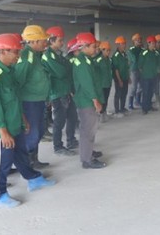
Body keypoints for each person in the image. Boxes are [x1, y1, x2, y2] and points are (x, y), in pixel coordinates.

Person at [0, 33, 56, 207]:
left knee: (21, 154)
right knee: (1, 161)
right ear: (3, 51)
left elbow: (14, 99)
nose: (18, 55)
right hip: (2, 129)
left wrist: (23, 119)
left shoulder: (9, 71)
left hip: (15, 123)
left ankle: (33, 179)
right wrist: (2, 131)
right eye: (15, 51)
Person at [14, 25, 51, 168]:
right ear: (34, 41)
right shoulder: (27, 56)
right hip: (29, 102)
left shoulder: (36, 55)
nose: (45, 42)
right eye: (43, 40)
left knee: (39, 131)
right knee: (32, 133)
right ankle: (27, 164)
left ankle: (33, 160)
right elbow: (19, 80)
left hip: (38, 100)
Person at [71, 32, 106, 169]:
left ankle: (88, 152)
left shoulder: (86, 60)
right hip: (87, 102)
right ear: (84, 46)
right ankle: (87, 160)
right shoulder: (83, 63)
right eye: (93, 46)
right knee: (88, 130)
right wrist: (95, 100)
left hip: (87, 100)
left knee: (89, 129)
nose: (95, 49)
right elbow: (87, 84)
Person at [42, 26, 77, 157]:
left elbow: (68, 68)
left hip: (66, 91)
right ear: (51, 40)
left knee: (72, 118)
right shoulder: (47, 56)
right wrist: (66, 69)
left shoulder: (59, 55)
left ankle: (71, 141)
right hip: (57, 93)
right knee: (59, 122)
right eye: (60, 40)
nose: (62, 43)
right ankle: (58, 146)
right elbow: (62, 72)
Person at [139, 35, 159, 114]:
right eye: (152, 43)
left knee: (150, 92)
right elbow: (140, 66)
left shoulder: (155, 53)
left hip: (153, 76)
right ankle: (144, 108)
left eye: (154, 43)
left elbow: (157, 64)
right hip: (146, 77)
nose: (154, 44)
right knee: (146, 92)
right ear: (148, 43)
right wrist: (144, 74)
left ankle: (149, 106)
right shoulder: (144, 53)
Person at [111, 36, 129, 118]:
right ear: (118, 45)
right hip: (119, 78)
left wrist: (128, 77)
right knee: (118, 94)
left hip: (125, 77)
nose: (124, 45)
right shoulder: (116, 56)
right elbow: (116, 69)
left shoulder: (124, 54)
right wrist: (119, 80)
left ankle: (122, 108)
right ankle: (117, 110)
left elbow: (126, 67)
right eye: (122, 44)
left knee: (124, 93)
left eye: (124, 43)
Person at [95, 41, 113, 122]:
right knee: (101, 100)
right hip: (101, 84)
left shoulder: (108, 60)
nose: (108, 52)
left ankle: (104, 113)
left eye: (109, 50)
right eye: (107, 50)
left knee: (106, 99)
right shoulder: (98, 60)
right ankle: (100, 115)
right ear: (102, 50)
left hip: (108, 83)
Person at [127, 33, 143, 110]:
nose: (139, 41)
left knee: (140, 87)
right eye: (137, 40)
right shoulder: (131, 50)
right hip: (134, 70)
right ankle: (130, 104)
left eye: (140, 40)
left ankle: (137, 101)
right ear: (134, 41)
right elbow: (133, 60)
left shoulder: (142, 50)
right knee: (133, 87)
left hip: (141, 71)